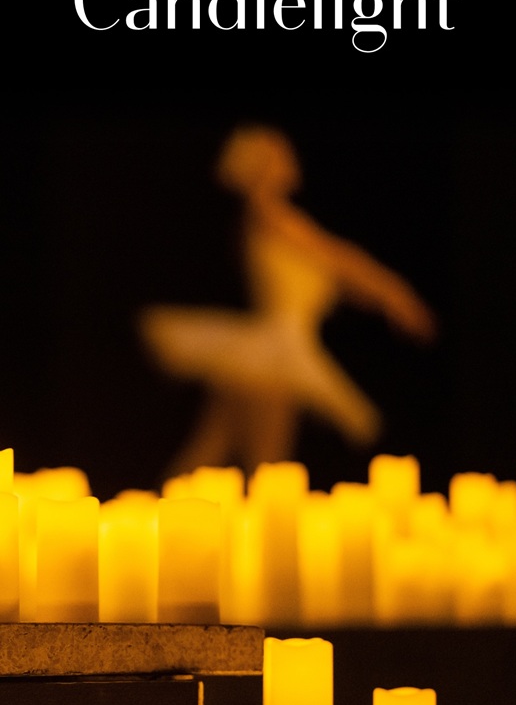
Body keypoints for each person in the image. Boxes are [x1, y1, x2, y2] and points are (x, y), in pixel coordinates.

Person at [139, 126, 437, 475]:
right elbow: (341, 259)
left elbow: (334, 272)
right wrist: (395, 293)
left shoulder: (270, 219)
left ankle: (163, 504)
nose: (289, 159)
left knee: (213, 450)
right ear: (263, 167)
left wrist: (379, 295)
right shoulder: (273, 215)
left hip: (266, 351)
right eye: (279, 154)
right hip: (275, 354)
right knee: (263, 461)